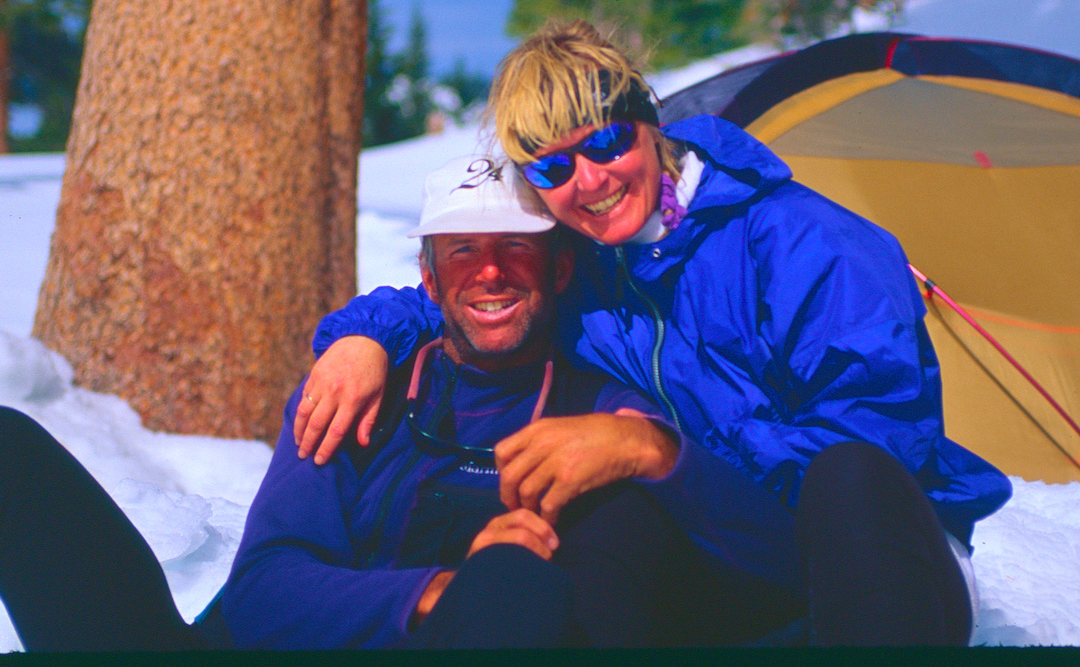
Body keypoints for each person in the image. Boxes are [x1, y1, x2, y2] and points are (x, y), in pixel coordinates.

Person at [296, 19, 1014, 646]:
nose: (589, 178)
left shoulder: (805, 241)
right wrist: (364, 335)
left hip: (884, 561)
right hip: (735, 551)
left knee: (844, 475)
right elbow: (478, 299)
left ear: (649, 119)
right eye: (551, 165)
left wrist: (662, 451)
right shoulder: (597, 267)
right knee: (613, 516)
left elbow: (882, 446)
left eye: (606, 141)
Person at [0, 155, 800, 651]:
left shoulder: (603, 415)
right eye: (463, 253)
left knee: (519, 588)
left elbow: (766, 567)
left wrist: (658, 453)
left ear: (557, 270)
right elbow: (261, 592)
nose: (490, 272)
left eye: (515, 248)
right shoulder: (359, 393)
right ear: (429, 277)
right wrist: (438, 590)